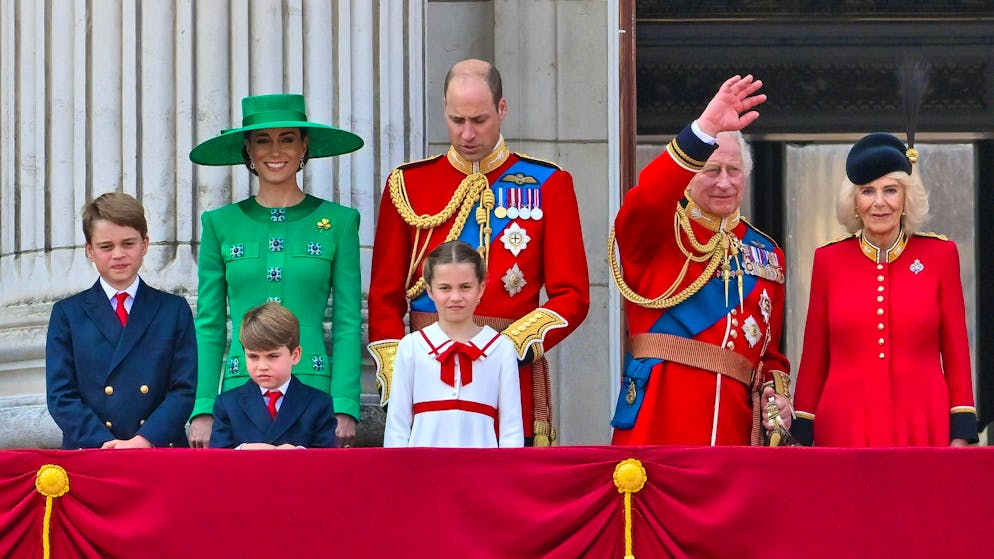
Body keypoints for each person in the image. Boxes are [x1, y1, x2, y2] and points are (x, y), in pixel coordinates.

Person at [368, 59, 589, 446]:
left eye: (479, 120)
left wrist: (506, 349)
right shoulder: (408, 185)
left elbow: (572, 295)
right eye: (457, 120)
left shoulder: (548, 184)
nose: (467, 133)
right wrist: (397, 371)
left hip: (510, 371)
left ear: (502, 109)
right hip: (426, 373)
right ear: (444, 109)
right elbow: (384, 295)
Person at [609, 75, 792, 446]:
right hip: (659, 422)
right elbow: (647, 198)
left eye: (733, 171)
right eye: (711, 170)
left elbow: (769, 355)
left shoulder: (767, 253)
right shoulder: (659, 230)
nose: (724, 182)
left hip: (733, 431)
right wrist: (705, 128)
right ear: (689, 176)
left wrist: (778, 396)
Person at [188, 94, 363, 448]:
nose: (275, 151)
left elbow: (347, 320)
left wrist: (345, 402)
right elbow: (208, 324)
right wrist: (203, 405)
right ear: (248, 149)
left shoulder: (340, 222)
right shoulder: (219, 224)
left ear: (304, 145)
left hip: (314, 389)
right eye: (262, 140)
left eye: (287, 139)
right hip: (239, 391)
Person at [791, 133, 978, 447]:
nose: (879, 202)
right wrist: (801, 435)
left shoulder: (940, 256)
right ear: (854, 202)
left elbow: (957, 355)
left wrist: (960, 435)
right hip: (844, 426)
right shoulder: (829, 260)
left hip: (922, 423)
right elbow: (813, 360)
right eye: (867, 191)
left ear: (906, 199)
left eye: (890, 190)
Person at [46, 193, 197, 449]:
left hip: (158, 448)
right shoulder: (68, 314)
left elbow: (183, 389)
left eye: (128, 243)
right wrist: (104, 443)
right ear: (90, 250)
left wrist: (145, 440)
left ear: (145, 244)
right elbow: (61, 395)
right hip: (92, 449)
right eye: (106, 246)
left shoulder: (173, 310)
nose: (118, 254)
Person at [384, 241, 523, 448]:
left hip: (483, 466)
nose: (455, 297)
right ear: (430, 290)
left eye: (465, 287)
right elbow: (397, 427)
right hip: (422, 466)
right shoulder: (411, 347)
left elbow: (512, 430)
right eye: (445, 288)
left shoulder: (501, 349)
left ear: (480, 289)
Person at [210, 302, 338, 449]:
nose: (262, 366)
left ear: (295, 355)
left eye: (273, 356)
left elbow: (327, 458)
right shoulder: (227, 404)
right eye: (253, 356)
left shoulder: (319, 404)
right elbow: (217, 458)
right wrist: (241, 451)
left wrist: (301, 454)